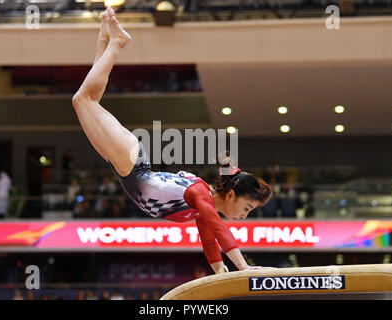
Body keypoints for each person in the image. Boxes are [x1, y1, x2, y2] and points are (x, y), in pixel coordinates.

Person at [72, 7, 274, 275]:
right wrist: (244, 267)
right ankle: (118, 42)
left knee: (90, 100)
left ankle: (106, 32)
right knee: (81, 100)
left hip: (124, 169)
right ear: (231, 194)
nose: (245, 215)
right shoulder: (200, 195)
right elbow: (219, 230)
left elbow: (209, 242)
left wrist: (221, 275)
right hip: (133, 164)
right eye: (247, 207)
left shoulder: (203, 207)